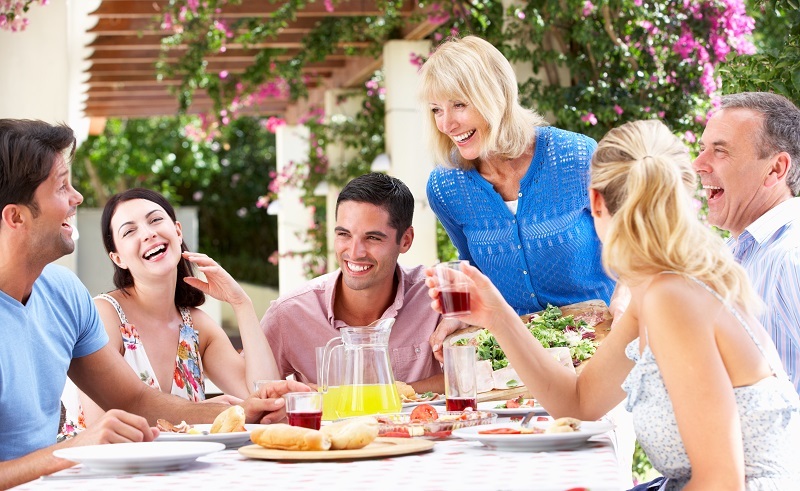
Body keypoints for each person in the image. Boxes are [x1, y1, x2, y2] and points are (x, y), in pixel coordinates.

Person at [426, 120, 800, 489]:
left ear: (595, 201)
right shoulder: (659, 289)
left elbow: (721, 482)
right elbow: (578, 403)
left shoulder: (674, 298)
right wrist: (496, 315)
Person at [0, 119, 306, 489]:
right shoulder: (104, 309)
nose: (77, 197)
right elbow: (98, 431)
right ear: (15, 216)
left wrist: (243, 410)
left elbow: (133, 397)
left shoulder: (64, 293)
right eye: (62, 186)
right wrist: (75, 450)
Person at [420, 35, 616, 315]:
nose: (447, 124)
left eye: (459, 105)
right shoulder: (446, 186)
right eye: (436, 110)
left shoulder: (576, 156)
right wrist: (459, 318)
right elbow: (472, 271)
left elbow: (632, 242)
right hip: (515, 350)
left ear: (496, 96)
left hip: (598, 335)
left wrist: (624, 301)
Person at [71, 188, 281, 428]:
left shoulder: (195, 327)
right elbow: (103, 426)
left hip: (181, 464)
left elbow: (265, 401)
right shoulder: (104, 316)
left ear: (178, 232)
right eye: (129, 231)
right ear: (118, 258)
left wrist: (241, 304)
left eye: (155, 220)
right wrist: (203, 413)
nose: (148, 233)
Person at [261, 173, 443, 393]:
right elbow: (253, 392)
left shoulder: (437, 296)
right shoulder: (289, 313)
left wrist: (383, 395)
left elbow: (480, 376)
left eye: (373, 238)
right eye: (344, 234)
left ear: (405, 240)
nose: (355, 253)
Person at [694, 91, 800, 393]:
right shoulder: (737, 249)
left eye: (720, 151)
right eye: (702, 149)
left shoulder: (791, 256)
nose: (697, 164)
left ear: (775, 169)